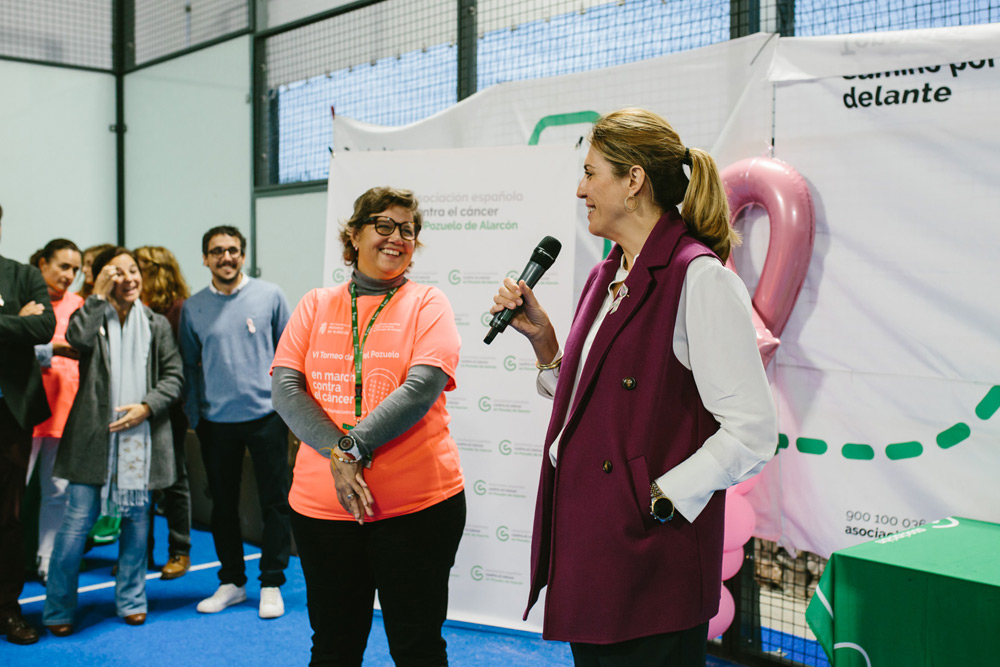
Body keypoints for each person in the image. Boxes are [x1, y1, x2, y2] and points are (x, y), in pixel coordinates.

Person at [490, 108, 778, 666]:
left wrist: (660, 495)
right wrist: (547, 344)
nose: (580, 189)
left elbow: (752, 429)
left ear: (634, 180)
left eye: (591, 173)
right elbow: (600, 400)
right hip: (594, 543)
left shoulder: (700, 278)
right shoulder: (607, 276)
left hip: (650, 556)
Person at [271, 186, 465, 665]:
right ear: (354, 234)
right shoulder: (315, 304)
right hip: (322, 514)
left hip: (417, 510)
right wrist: (341, 449)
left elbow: (421, 388)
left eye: (408, 229)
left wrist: (347, 449)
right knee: (334, 645)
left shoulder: (428, 302)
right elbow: (286, 391)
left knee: (417, 646)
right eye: (383, 225)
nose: (397, 237)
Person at [43, 247, 183, 635]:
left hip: (141, 437)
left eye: (134, 270)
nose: (130, 278)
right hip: (94, 439)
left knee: (138, 523)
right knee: (75, 525)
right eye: (118, 272)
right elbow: (76, 337)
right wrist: (97, 296)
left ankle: (132, 600)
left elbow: (174, 376)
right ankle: (58, 606)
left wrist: (146, 406)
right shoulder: (92, 315)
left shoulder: (155, 324)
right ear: (104, 279)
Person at [179, 226, 292, 619]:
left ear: (242, 255)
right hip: (216, 422)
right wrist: (196, 416)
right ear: (206, 258)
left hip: (267, 417)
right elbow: (189, 367)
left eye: (232, 250)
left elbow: (289, 356)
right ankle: (232, 582)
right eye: (216, 251)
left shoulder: (270, 296)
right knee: (222, 505)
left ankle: (272, 582)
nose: (225, 257)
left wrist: (290, 411)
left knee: (275, 501)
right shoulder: (193, 308)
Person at [0, 204, 56, 645]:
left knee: (8, 517)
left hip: (9, 414)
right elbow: (23, 326)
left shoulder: (21, 275)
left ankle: (7, 607)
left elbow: (43, 326)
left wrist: (25, 323)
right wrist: (12, 322)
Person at [26, 239, 84, 583]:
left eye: (75, 269)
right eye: (63, 266)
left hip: (64, 414)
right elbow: (16, 347)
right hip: (26, 412)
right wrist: (56, 348)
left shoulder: (78, 304)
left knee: (58, 491)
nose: (69, 275)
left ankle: (46, 558)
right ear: (43, 263)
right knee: (12, 491)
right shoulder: (27, 302)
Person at [135, 245, 192, 580]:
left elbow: (180, 367)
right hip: (136, 407)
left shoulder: (177, 310)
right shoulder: (132, 309)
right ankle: (139, 551)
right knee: (138, 481)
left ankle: (179, 549)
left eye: (138, 267)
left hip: (168, 408)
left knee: (174, 481)